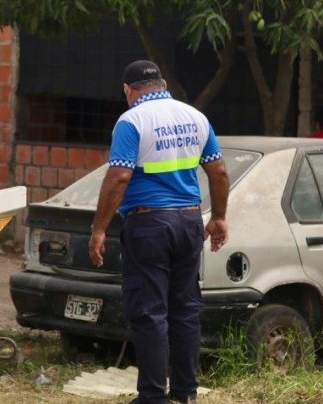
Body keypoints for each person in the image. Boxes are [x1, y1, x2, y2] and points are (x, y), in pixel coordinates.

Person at [88, 60, 229, 404]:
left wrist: (98, 229)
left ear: (128, 90)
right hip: (190, 222)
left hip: (149, 224)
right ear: (163, 83)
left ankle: (152, 397)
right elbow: (219, 172)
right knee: (184, 309)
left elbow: (119, 176)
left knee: (149, 312)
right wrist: (220, 218)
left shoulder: (131, 120)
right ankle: (185, 393)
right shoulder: (195, 117)